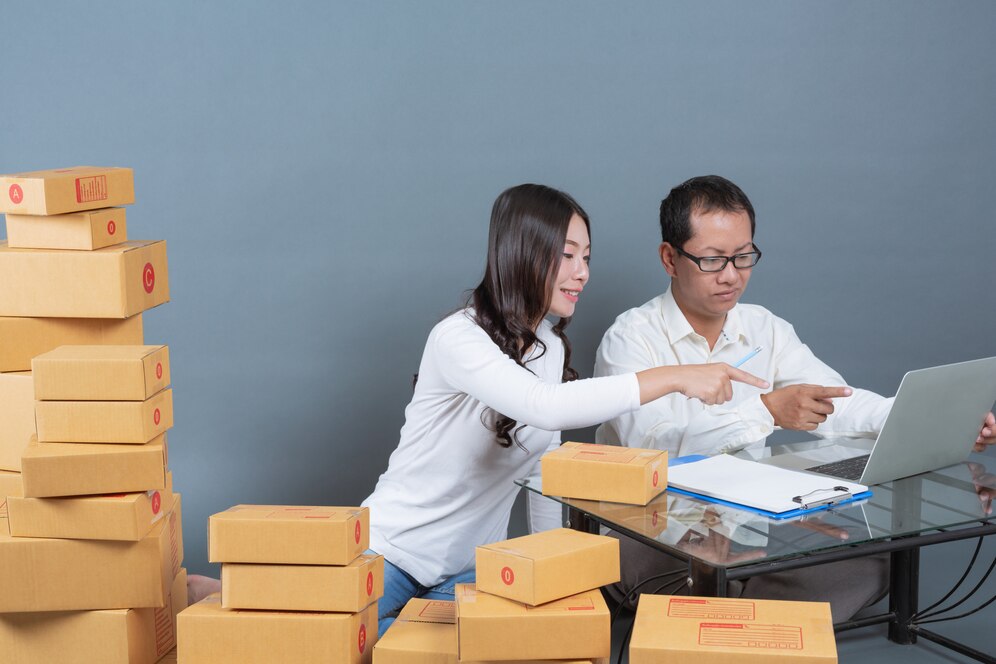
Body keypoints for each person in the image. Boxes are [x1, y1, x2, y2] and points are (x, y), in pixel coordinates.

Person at [362, 183, 768, 636]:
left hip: (468, 570)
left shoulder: (549, 348)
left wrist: (550, 568)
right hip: (389, 555)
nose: (583, 273)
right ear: (523, 253)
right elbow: (545, 407)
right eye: (568, 255)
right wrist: (675, 375)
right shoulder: (458, 337)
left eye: (587, 257)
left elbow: (541, 467)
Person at [593, 175, 996, 622]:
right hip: (655, 526)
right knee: (669, 565)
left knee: (876, 560)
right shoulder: (630, 339)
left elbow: (835, 400)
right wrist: (765, 410)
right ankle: (757, 618)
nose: (731, 275)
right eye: (712, 260)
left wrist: (931, 420)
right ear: (670, 258)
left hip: (750, 520)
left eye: (744, 257)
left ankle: (728, 618)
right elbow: (656, 449)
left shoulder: (765, 327)